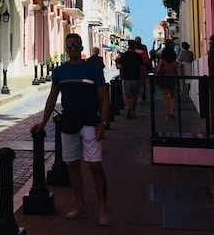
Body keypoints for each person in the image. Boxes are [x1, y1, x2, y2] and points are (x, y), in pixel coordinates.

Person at [30, 33, 111, 226]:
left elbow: (103, 98)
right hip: (69, 124)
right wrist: (43, 123)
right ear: (66, 49)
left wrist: (103, 123)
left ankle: (102, 208)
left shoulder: (92, 70)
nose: (73, 48)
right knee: (73, 166)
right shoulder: (60, 72)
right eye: (70, 46)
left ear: (81, 48)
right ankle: (80, 206)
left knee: (95, 166)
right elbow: (52, 98)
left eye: (76, 45)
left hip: (91, 123)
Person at [116, 40, 143, 119]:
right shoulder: (138, 56)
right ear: (135, 46)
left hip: (126, 77)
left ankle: (128, 107)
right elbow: (141, 68)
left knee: (126, 94)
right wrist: (142, 78)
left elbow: (121, 66)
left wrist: (121, 76)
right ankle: (133, 112)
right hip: (136, 77)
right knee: (135, 95)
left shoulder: (124, 55)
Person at [157, 46, 178, 120]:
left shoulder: (162, 61)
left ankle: (167, 115)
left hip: (164, 79)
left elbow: (158, 70)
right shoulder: (174, 62)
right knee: (172, 96)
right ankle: (171, 112)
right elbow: (176, 72)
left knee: (165, 97)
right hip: (172, 79)